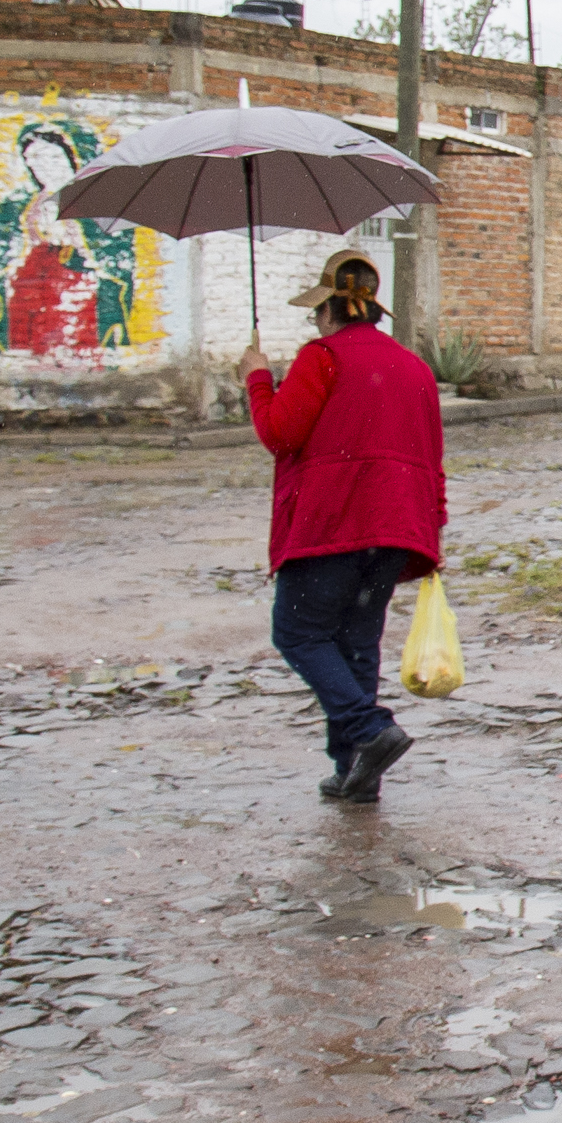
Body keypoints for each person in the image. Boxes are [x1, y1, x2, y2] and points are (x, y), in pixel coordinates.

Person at [240, 250, 444, 804]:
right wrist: (432, 528)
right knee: (356, 642)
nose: (316, 324)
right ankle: (356, 773)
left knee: (300, 633)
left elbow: (280, 434)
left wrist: (257, 380)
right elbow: (432, 454)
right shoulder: (414, 366)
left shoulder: (322, 358)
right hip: (395, 529)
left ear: (330, 311)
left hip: (332, 525)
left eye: (316, 314)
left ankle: (370, 729)